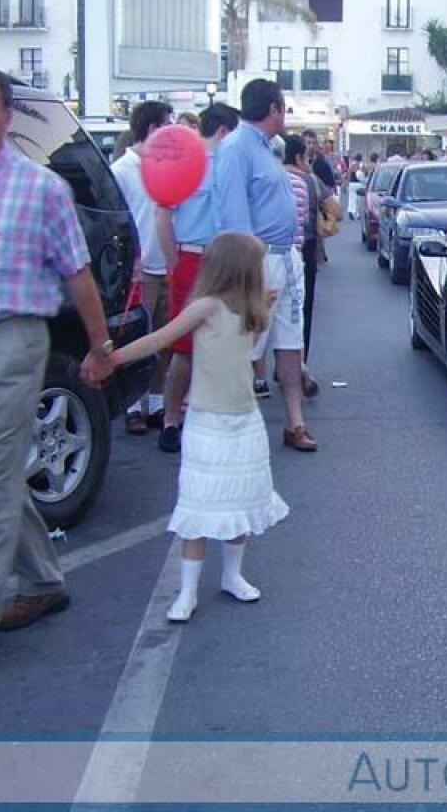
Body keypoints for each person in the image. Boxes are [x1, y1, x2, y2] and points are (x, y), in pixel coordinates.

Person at [0, 65, 114, 684]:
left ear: (6, 116)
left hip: (12, 345)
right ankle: (43, 579)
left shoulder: (40, 188)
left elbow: (77, 274)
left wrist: (99, 346)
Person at [94, 232, 289, 622]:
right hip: (207, 421)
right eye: (256, 266)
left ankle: (232, 575)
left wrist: (267, 303)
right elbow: (159, 339)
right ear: (239, 270)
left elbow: (251, 347)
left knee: (240, 500)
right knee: (198, 506)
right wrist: (112, 357)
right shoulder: (206, 307)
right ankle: (186, 591)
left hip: (244, 420)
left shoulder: (252, 309)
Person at [212, 78, 318, 452]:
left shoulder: (265, 147)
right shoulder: (236, 149)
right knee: (246, 344)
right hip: (261, 259)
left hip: (286, 255)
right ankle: (232, 429)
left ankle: (295, 422)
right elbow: (235, 216)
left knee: (290, 341)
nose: (285, 114)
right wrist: (250, 272)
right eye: (283, 107)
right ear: (273, 109)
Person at [155, 103, 240, 454]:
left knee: (223, 342)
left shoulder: (230, 166)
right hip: (192, 255)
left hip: (224, 257)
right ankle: (171, 420)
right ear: (222, 131)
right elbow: (162, 213)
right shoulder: (186, 164)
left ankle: (209, 416)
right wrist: (173, 261)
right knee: (185, 346)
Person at [113, 100, 174, 436]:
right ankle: (133, 405)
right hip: (139, 268)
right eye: (167, 126)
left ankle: (157, 400)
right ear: (152, 129)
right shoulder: (123, 170)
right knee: (138, 336)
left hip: (166, 263)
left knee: (164, 337)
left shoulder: (163, 166)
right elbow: (119, 221)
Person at [283, 134, 331, 396]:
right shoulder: (309, 181)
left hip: (268, 251)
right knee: (300, 311)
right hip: (305, 247)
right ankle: (298, 364)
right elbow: (333, 208)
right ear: (301, 157)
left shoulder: (274, 179)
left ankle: (260, 374)